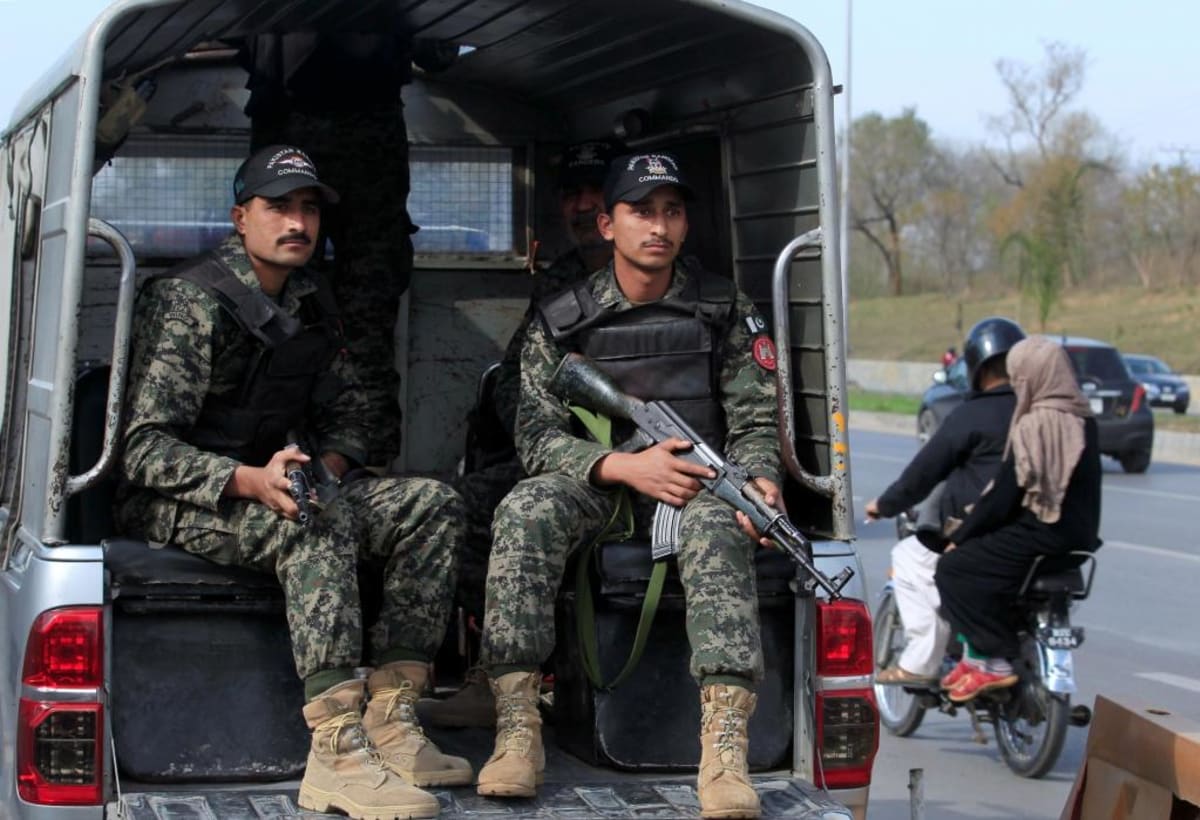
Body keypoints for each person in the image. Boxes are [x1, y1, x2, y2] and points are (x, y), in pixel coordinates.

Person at [115, 145, 471, 820]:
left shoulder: (310, 298)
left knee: (432, 505)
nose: (297, 223)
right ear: (239, 217)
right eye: (279, 207)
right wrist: (250, 480)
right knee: (313, 524)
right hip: (181, 499)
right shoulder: (190, 300)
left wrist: (324, 469)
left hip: (285, 483)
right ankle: (336, 753)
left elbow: (351, 416)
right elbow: (141, 448)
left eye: (308, 209)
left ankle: (393, 721)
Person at [473, 152, 783, 820]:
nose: (660, 227)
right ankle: (518, 726)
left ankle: (725, 747)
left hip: (698, 483)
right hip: (605, 484)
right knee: (526, 508)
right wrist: (620, 466)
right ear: (607, 224)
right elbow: (535, 435)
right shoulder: (564, 319)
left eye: (672, 211)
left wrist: (760, 481)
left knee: (721, 522)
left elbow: (756, 417)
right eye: (642, 211)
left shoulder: (723, 307)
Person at [421, 139, 625, 728]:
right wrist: (546, 423)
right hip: (557, 455)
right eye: (573, 195)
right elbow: (513, 379)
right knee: (447, 510)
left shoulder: (676, 285)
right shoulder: (561, 283)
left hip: (646, 467)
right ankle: (504, 673)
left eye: (596, 193)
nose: (583, 207)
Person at [241, 28, 416, 467]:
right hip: (317, 110)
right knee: (280, 308)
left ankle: (359, 465)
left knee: (359, 312)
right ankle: (282, 461)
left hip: (334, 110)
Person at [935, 335, 1102, 703]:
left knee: (953, 569)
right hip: (1081, 540)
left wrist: (961, 535)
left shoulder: (1032, 425)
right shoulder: (1084, 420)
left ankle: (993, 660)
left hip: (1041, 535)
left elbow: (1003, 496)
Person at [865, 317, 1025, 685]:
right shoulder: (1036, 410)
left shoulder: (972, 414)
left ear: (975, 368)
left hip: (978, 531)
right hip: (1033, 532)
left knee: (909, 558)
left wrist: (884, 504)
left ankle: (921, 663)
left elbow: (925, 471)